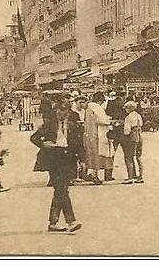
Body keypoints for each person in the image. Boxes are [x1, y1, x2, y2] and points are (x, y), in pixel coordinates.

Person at [30, 99, 84, 233]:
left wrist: (82, 160)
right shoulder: (49, 124)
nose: (61, 113)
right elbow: (34, 137)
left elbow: (79, 142)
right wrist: (44, 144)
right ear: (56, 111)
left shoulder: (73, 124)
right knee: (61, 189)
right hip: (54, 158)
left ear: (68, 111)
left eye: (64, 110)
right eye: (59, 110)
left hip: (68, 159)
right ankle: (71, 220)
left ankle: (53, 222)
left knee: (60, 190)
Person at [83, 92, 114, 185]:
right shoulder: (96, 108)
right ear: (100, 101)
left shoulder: (89, 108)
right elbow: (101, 119)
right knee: (96, 156)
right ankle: (93, 175)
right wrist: (110, 120)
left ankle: (91, 173)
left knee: (92, 155)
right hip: (98, 134)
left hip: (90, 134)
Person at [121, 101, 144, 184]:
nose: (125, 110)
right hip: (139, 135)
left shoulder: (128, 117)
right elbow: (141, 125)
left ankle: (130, 177)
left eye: (126, 108)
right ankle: (140, 176)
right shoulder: (138, 115)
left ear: (130, 108)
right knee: (138, 156)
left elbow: (126, 131)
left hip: (132, 137)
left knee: (129, 157)